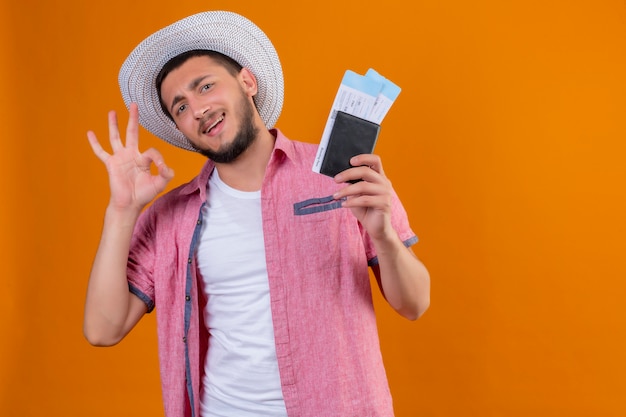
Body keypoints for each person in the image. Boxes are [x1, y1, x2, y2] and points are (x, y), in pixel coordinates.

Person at [83, 10, 430, 417]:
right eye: (180, 107)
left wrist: (385, 236)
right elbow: (102, 330)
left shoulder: (340, 173)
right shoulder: (171, 216)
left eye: (206, 86)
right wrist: (122, 211)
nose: (196, 109)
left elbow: (415, 304)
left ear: (247, 82)